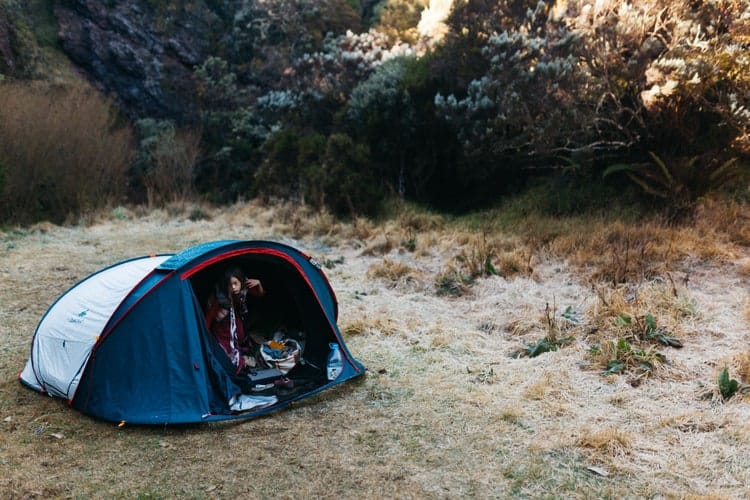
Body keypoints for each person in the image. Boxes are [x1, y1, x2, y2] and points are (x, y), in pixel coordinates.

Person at [205, 266, 266, 373]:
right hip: (222, 322)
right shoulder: (220, 296)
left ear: (241, 281)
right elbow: (210, 317)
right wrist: (205, 334)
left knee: (240, 335)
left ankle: (241, 354)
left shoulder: (244, 287)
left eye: (235, 283)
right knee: (226, 345)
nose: (233, 287)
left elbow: (260, 294)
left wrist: (259, 283)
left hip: (235, 316)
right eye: (230, 285)